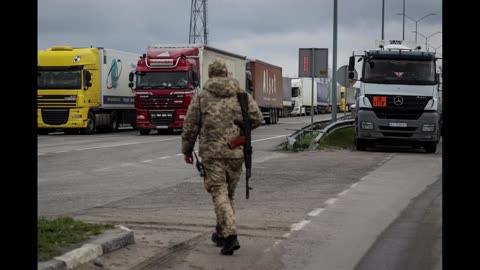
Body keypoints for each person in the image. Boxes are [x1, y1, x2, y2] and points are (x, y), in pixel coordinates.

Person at [181, 59, 263, 255]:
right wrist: (241, 132)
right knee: (228, 196)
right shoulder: (241, 95)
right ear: (226, 74)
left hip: (212, 154)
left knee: (219, 194)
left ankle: (231, 236)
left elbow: (190, 125)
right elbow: (257, 118)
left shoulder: (201, 96)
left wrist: (186, 149)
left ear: (210, 75)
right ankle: (220, 233)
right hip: (235, 152)